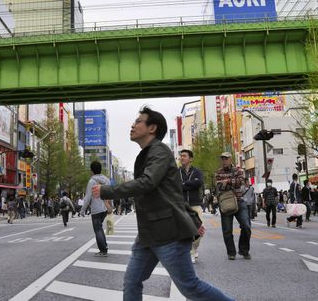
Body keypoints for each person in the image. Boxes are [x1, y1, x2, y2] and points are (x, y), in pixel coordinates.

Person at [92, 107, 233, 301]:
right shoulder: (149, 153)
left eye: (138, 121)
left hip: (168, 233)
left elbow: (148, 182)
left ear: (152, 128)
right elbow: (172, 193)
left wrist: (107, 191)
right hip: (149, 233)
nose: (132, 125)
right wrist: (193, 220)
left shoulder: (159, 151)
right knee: (132, 281)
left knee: (190, 287)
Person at [215, 151, 251, 260]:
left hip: (239, 201)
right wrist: (229, 182)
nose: (224, 161)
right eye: (222, 159)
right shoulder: (218, 172)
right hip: (225, 202)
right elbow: (218, 185)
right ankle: (231, 252)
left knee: (246, 226)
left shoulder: (238, 170)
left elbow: (241, 182)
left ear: (231, 159)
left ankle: (244, 250)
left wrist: (228, 181)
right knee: (227, 230)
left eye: (226, 158)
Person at [80, 161, 112, 256]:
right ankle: (104, 247)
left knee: (98, 229)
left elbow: (88, 197)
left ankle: (103, 250)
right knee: (100, 228)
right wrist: (111, 206)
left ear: (92, 170)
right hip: (105, 208)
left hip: (96, 208)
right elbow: (110, 193)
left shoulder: (92, 181)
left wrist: (82, 210)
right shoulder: (107, 180)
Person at [179, 149, 205, 264]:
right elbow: (176, 185)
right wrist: (190, 184)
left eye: (184, 156)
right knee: (184, 231)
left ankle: (194, 248)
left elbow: (199, 183)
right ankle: (190, 252)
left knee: (199, 230)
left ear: (190, 159)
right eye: (181, 156)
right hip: (182, 205)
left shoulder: (197, 171)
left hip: (195, 204)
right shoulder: (176, 172)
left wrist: (184, 184)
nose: (182, 158)